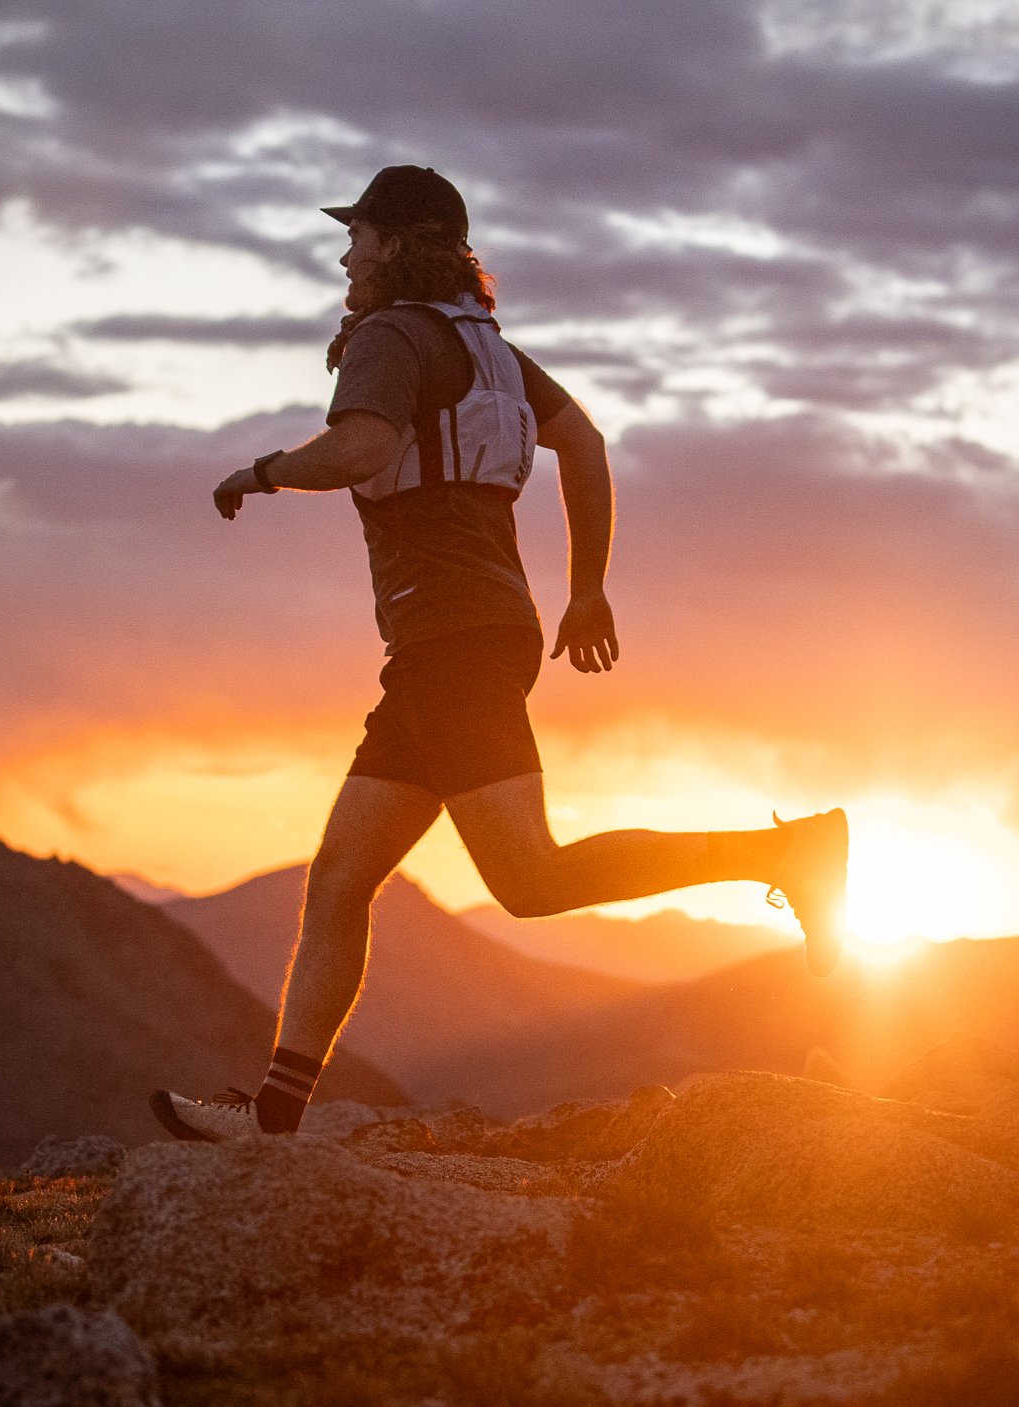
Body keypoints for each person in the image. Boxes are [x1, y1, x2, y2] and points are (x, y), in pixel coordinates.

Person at [152, 166, 846, 1143]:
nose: (345, 253)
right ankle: (271, 1115)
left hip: (452, 642)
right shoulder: (491, 354)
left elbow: (357, 450)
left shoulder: (389, 340)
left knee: (529, 882)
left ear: (395, 245)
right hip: (469, 636)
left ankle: (785, 851)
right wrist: (589, 587)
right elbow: (587, 444)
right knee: (343, 876)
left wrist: (261, 473)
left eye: (358, 235)